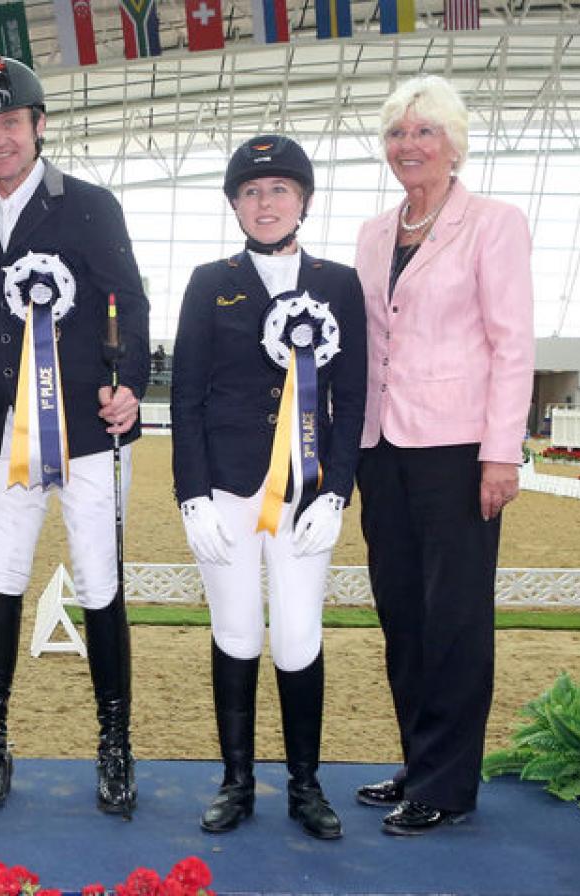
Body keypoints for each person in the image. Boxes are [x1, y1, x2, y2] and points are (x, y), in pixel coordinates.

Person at [0, 55, 151, 815]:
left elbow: (130, 298)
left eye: (8, 124)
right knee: (3, 575)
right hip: (7, 435)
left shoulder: (89, 205)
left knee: (99, 583)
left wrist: (131, 384)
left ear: (39, 125)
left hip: (89, 431)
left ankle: (115, 744)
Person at [353, 74, 534, 835]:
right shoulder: (371, 231)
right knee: (402, 613)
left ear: (454, 144)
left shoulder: (494, 223)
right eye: (397, 133)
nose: (409, 146)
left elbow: (512, 342)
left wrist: (502, 454)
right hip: (380, 447)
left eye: (425, 132)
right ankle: (418, 762)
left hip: (459, 449)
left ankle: (449, 786)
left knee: (454, 615)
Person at [170, 135, 366, 839]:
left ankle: (307, 787)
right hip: (227, 485)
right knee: (238, 629)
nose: (265, 202)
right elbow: (186, 394)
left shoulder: (339, 284)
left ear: (304, 200)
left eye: (279, 189)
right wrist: (190, 493)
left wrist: (339, 490)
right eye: (251, 192)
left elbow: (354, 395)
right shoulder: (208, 280)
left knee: (298, 635)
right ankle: (237, 781)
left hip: (306, 490)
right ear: (233, 203)